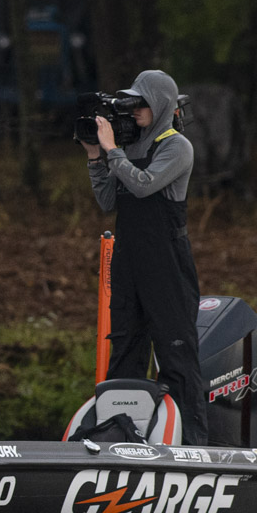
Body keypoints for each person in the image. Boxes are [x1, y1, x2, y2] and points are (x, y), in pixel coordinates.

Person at [81, 69, 207, 445]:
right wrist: (94, 156)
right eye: (131, 103)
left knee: (176, 354)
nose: (134, 109)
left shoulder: (176, 147)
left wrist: (112, 151)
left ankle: (192, 445)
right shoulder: (129, 148)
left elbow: (143, 185)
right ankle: (120, 436)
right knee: (126, 350)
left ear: (161, 105)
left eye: (141, 103)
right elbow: (109, 201)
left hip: (167, 264)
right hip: (129, 262)